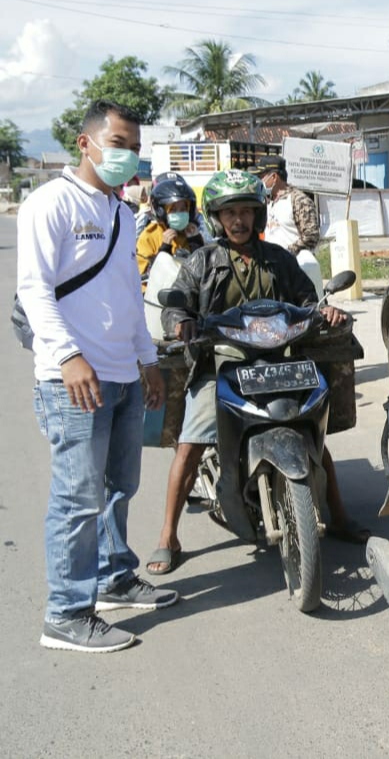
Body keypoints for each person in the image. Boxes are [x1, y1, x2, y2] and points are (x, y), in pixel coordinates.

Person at [148, 169, 367, 575]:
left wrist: (326, 310)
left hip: (277, 362)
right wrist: (180, 319)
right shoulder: (203, 260)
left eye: (246, 211)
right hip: (220, 363)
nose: (238, 221)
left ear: (258, 215)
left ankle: (337, 515)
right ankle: (167, 535)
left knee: (314, 438)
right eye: (229, 213)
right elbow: (177, 301)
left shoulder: (278, 258)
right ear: (216, 218)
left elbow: (308, 299)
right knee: (191, 443)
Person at [16, 99, 177, 653]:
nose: (127, 156)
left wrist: (147, 361)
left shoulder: (124, 212)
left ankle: (114, 579)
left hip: (122, 376)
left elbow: (127, 295)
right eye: (118, 145)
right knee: (77, 499)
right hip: (73, 381)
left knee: (118, 490)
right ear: (85, 144)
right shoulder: (50, 203)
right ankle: (65, 612)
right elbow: (35, 289)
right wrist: (65, 357)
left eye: (134, 147)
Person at [135, 172, 203, 291]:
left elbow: (204, 270)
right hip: (160, 296)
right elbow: (143, 276)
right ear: (161, 211)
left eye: (183, 209)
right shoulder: (150, 235)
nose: (179, 213)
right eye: (173, 209)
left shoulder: (193, 232)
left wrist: (196, 242)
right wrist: (164, 249)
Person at [255, 155, 321, 256]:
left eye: (261, 177)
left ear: (274, 177)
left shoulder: (298, 200)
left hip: (295, 265)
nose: (259, 181)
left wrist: (286, 253)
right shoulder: (267, 201)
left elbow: (311, 235)